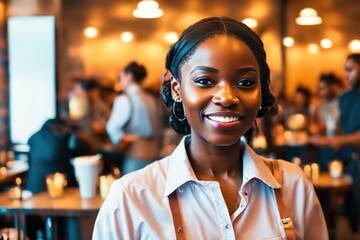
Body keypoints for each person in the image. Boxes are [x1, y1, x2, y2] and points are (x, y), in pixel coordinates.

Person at [93, 16, 327, 239]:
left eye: (245, 82)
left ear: (261, 92)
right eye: (205, 81)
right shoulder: (131, 197)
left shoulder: (294, 186)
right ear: (177, 89)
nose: (226, 97)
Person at [310, 53, 360, 237]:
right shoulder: (347, 97)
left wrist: (336, 140)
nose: (346, 75)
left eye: (350, 69)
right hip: (353, 161)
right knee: (352, 211)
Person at [106, 61, 165, 175]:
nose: (120, 80)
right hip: (155, 158)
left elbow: (112, 128)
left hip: (135, 158)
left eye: (121, 77)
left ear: (129, 76)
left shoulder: (125, 99)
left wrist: (124, 138)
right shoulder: (153, 99)